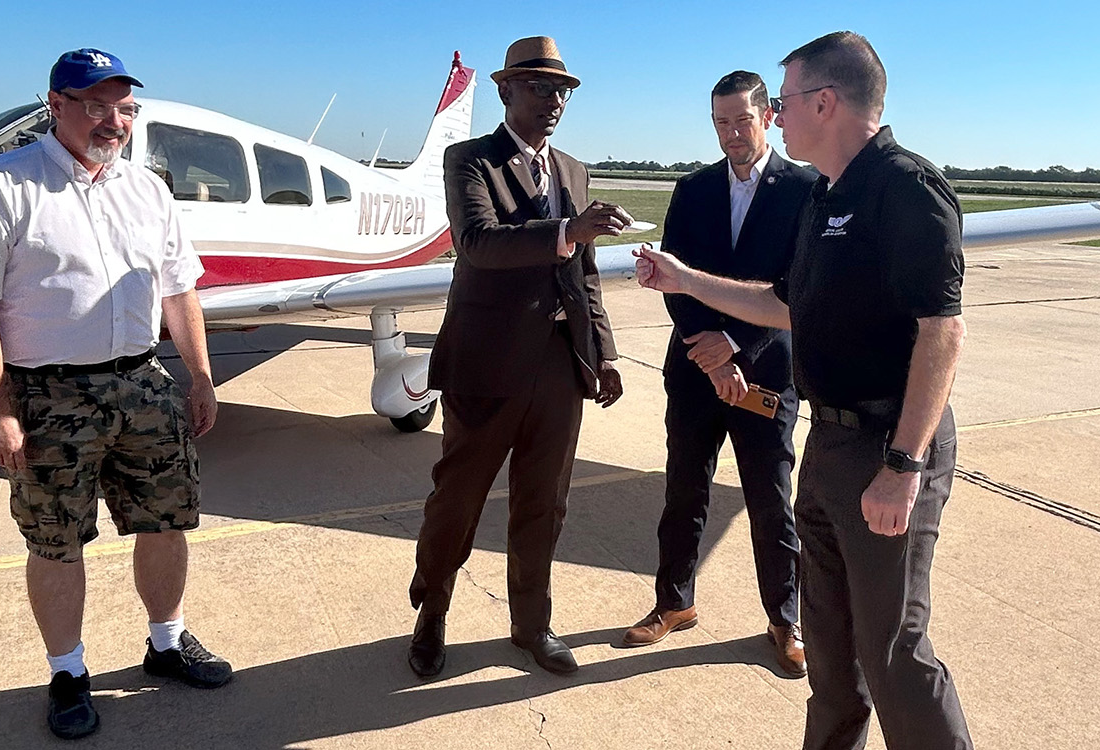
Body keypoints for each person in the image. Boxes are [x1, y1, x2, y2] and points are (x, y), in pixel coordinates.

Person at [635, 31, 973, 750]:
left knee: (894, 655)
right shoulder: (827, 195)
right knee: (832, 652)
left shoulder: (905, 188)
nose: (777, 117)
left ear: (826, 101)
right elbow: (786, 302)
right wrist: (684, 279)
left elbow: (941, 336)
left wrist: (904, 465)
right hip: (828, 443)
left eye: (783, 102)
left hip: (886, 447)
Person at [0, 48, 231, 740]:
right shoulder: (2, 185)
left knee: (167, 521)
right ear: (56, 105)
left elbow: (178, 289)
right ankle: (68, 672)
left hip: (142, 381)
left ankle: (166, 642)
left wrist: (201, 375)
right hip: (48, 395)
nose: (113, 121)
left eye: (125, 108)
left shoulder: (148, 189)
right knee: (56, 540)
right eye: (96, 105)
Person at [407, 35, 632, 677]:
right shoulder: (471, 160)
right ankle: (433, 612)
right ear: (505, 92)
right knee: (458, 500)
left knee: (544, 501)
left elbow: (584, 277)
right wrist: (568, 231)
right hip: (486, 366)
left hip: (559, 367)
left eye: (561, 90)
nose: (553, 100)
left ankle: (531, 625)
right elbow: (479, 243)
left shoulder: (573, 170)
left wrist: (604, 352)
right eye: (539, 87)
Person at [620, 71, 815, 682]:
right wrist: (709, 353)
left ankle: (785, 620)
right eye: (720, 122)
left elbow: (798, 287)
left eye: (742, 120)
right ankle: (675, 602)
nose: (732, 133)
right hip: (696, 371)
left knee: (770, 502)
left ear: (769, 117)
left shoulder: (806, 189)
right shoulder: (692, 188)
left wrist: (735, 346)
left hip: (765, 375)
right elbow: (674, 278)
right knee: (684, 492)